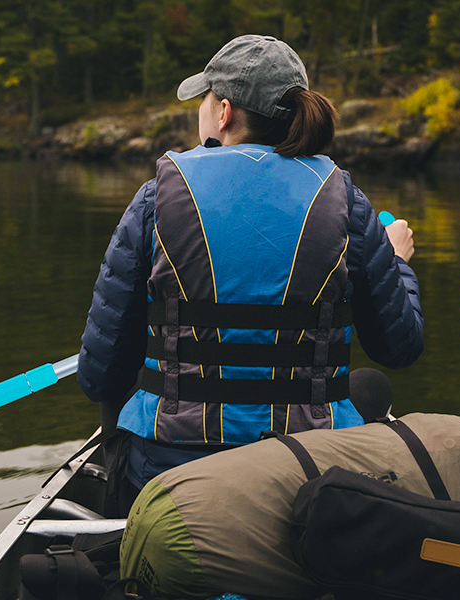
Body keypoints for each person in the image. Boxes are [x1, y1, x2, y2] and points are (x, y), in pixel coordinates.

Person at [77, 34, 422, 510]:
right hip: (308, 472)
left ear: (224, 112)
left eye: (204, 98)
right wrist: (398, 264)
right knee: (371, 387)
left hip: (171, 476)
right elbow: (399, 346)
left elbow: (99, 376)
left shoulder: (157, 198)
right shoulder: (347, 202)